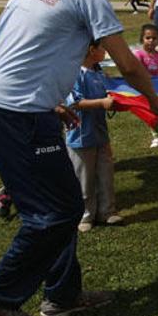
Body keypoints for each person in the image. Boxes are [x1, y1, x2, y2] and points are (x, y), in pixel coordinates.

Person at [0, 0, 158, 316]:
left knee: (61, 206)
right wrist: (157, 102)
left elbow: (19, 41)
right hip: (18, 111)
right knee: (54, 214)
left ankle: (62, 296)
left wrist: (53, 99)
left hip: (12, 102)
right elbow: (126, 62)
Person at [65, 41, 122, 233]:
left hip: (100, 133)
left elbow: (110, 92)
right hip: (80, 136)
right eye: (102, 48)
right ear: (91, 50)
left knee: (105, 173)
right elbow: (75, 103)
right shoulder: (74, 73)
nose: (105, 51)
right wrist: (103, 102)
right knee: (84, 178)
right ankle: (85, 215)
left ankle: (107, 211)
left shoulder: (98, 73)